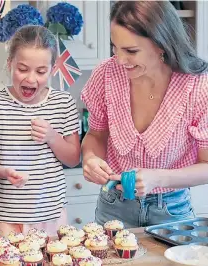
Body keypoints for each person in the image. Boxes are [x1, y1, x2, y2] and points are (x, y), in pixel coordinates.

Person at [81, 1, 208, 228]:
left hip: (172, 209)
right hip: (113, 204)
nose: (120, 60)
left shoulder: (198, 87)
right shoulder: (106, 74)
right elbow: (96, 134)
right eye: (114, 48)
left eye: (131, 51)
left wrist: (159, 178)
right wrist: (90, 158)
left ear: (162, 45)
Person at [0, 25, 81, 239]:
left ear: (52, 70)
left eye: (41, 72)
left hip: (50, 216)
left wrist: (52, 137)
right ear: (9, 64)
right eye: (22, 69)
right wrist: (4, 172)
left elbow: (73, 158)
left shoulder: (63, 104)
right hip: (4, 217)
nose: (31, 79)